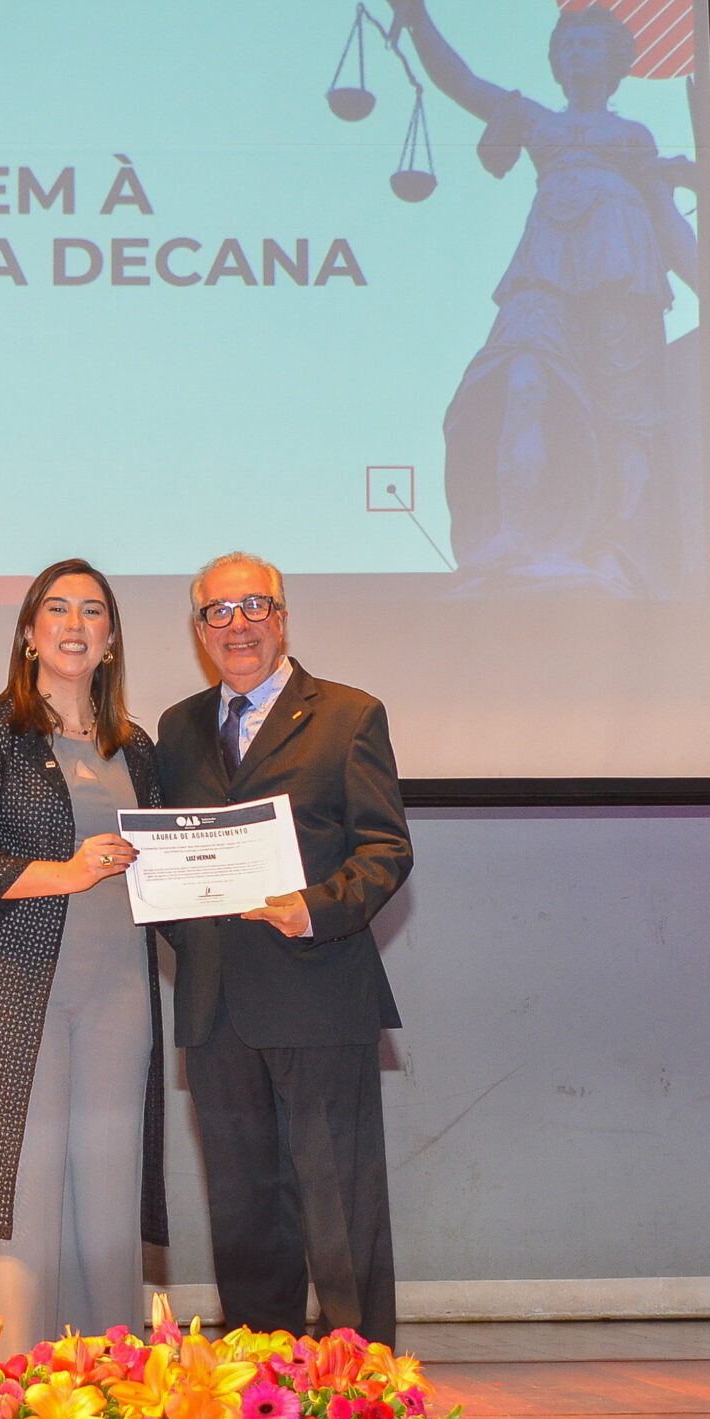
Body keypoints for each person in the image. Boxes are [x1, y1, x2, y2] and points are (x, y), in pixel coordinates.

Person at [154, 552, 412, 1346]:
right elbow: (169, 853)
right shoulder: (178, 728)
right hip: (216, 1008)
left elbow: (386, 850)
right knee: (244, 1215)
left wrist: (312, 910)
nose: (238, 625)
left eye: (254, 606)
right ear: (200, 629)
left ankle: (361, 1385)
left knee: (340, 1214)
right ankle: (261, 1388)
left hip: (319, 997)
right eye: (218, 612)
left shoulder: (348, 715)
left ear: (283, 615)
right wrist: (177, 912)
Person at [377, 0, 702, 596]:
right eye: (566, 45)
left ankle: (617, 548)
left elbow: (664, 219)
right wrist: (417, 18)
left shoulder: (633, 138)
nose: (576, 53)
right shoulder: (536, 121)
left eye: (588, 43)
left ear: (614, 61)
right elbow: (461, 83)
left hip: (621, 267)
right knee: (525, 379)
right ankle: (520, 532)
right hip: (546, 265)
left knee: (622, 411)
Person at [0, 558, 167, 1351]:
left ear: (111, 638)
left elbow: (168, 863)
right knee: (22, 1197)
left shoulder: (140, 747)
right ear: (29, 633)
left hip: (121, 991)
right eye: (56, 609)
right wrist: (68, 871)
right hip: (16, 993)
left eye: (93, 611)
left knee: (109, 1195)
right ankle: (17, 1393)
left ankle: (111, 1386)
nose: (74, 624)